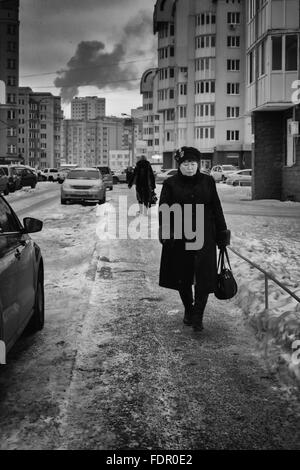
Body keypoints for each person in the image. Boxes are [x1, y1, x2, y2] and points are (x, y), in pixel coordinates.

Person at [158, 147, 230, 332]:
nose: (189, 168)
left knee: (204, 277)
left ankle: (198, 315)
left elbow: (216, 207)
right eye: (185, 164)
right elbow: (164, 209)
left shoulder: (207, 181)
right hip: (180, 237)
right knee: (183, 276)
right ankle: (189, 310)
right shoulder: (170, 184)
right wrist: (167, 232)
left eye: (193, 164)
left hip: (205, 235)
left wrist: (222, 233)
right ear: (179, 165)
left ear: (198, 164)